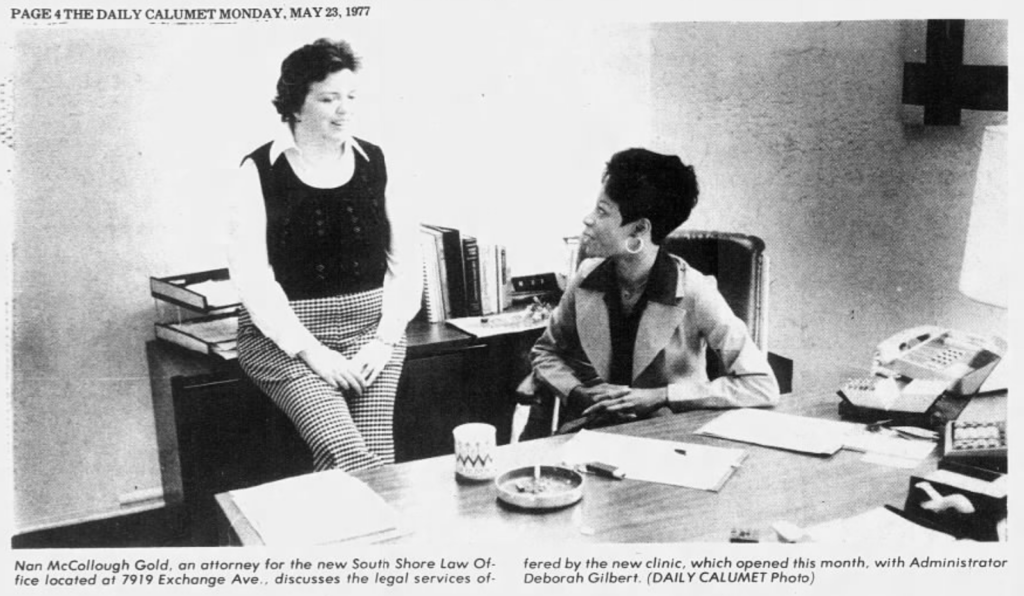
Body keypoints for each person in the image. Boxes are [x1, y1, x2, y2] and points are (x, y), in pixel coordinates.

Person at [227, 39, 421, 471]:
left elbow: (407, 264)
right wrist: (312, 352)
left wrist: (384, 340)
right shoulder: (258, 171)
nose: (344, 109)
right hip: (286, 343)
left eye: (351, 97)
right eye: (329, 99)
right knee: (348, 455)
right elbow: (253, 279)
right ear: (295, 105)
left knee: (377, 457)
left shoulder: (378, 161)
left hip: (372, 337)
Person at [527, 148, 779, 436]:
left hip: (672, 437)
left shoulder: (695, 291)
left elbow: (761, 385)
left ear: (639, 229)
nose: (588, 219)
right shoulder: (586, 277)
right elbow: (545, 351)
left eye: (602, 211)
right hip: (595, 432)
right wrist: (577, 393)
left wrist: (662, 396)